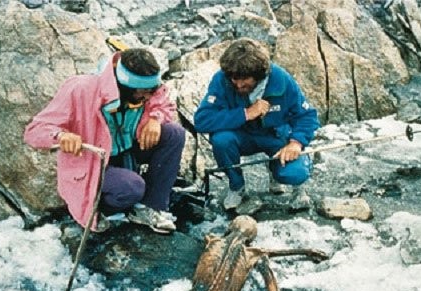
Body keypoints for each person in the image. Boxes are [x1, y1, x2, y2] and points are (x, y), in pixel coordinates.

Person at [24, 48, 185, 233]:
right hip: (94, 164)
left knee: (174, 133)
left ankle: (151, 207)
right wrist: (61, 136)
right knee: (132, 186)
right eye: (143, 93)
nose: (148, 97)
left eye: (151, 91)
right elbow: (34, 131)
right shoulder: (80, 89)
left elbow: (162, 100)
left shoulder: (148, 89)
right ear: (123, 86)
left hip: (128, 150)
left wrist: (155, 119)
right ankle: (109, 209)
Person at [194, 38, 320, 210]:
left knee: (295, 173)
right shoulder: (221, 80)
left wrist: (296, 143)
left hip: (275, 135)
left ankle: (286, 179)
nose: (238, 84)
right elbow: (202, 120)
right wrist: (245, 114)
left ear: (259, 75)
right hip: (241, 136)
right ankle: (237, 187)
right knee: (221, 140)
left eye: (245, 79)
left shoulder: (281, 79)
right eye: (234, 78)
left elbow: (307, 116)